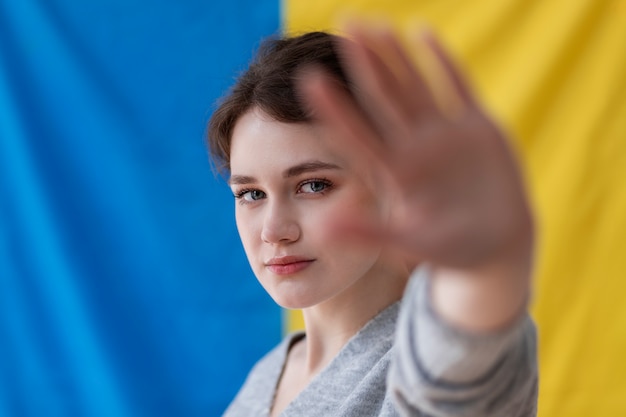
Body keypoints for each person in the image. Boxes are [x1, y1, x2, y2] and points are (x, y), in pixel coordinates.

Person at [208, 23, 538, 417]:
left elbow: (466, 361)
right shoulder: (267, 376)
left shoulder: (425, 367)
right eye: (251, 194)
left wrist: (488, 268)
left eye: (313, 185)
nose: (273, 231)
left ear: (395, 182)